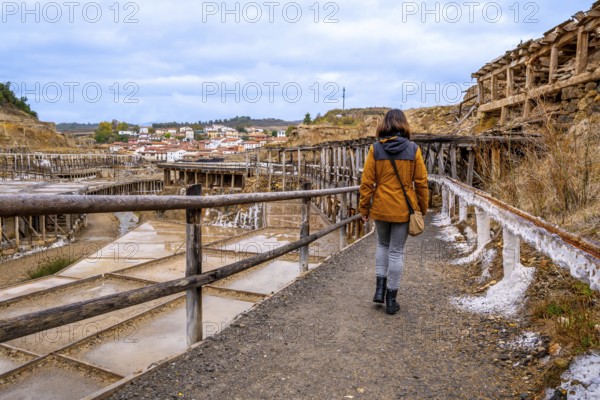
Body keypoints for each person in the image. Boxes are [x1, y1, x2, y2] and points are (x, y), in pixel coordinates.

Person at [359, 109, 429, 315]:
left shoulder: (375, 149)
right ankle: (391, 300)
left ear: (385, 125)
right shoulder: (414, 149)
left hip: (380, 208)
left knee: (382, 245)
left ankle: (379, 290)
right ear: (403, 125)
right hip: (403, 210)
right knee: (396, 251)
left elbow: (366, 183)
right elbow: (421, 183)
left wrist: (364, 207)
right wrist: (421, 209)